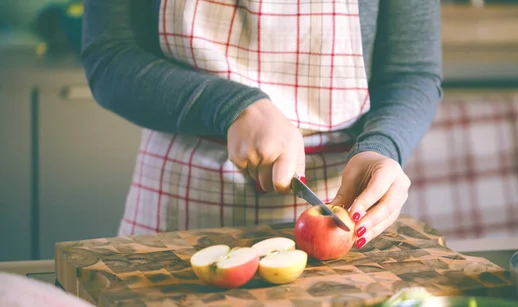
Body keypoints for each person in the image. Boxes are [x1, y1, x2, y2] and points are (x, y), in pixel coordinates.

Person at [81, 0, 442, 249]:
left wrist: (383, 146)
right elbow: (109, 57)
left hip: (339, 195)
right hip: (178, 202)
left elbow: (411, 72)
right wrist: (232, 107)